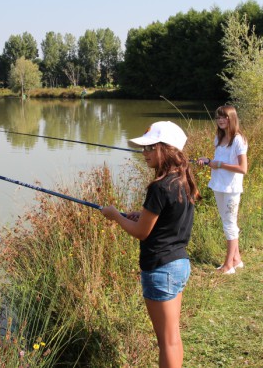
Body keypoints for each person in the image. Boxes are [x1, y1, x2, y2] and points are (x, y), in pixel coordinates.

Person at [101, 121, 199, 368]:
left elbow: (141, 232)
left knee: (166, 341)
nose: (143, 153)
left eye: (149, 147)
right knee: (173, 337)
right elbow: (166, 219)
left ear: (165, 149)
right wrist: (138, 213)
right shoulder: (183, 180)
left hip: (160, 269)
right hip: (179, 264)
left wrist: (116, 215)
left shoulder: (159, 187)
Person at [197, 105, 248, 274]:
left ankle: (228, 266)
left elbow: (243, 168)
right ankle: (237, 259)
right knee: (228, 222)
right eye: (218, 117)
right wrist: (208, 160)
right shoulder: (219, 139)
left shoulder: (238, 140)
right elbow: (217, 161)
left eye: (224, 117)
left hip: (231, 188)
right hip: (218, 185)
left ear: (231, 118)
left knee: (229, 224)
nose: (220, 120)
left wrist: (219, 164)